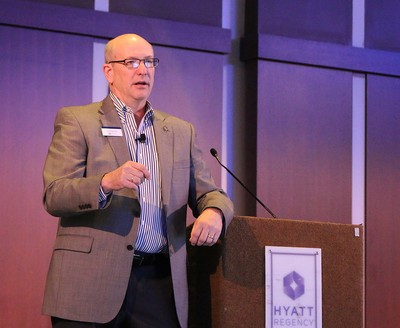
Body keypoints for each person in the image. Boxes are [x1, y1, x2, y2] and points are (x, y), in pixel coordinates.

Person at [42, 33, 234, 328]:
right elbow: (55, 194)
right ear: (109, 71)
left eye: (149, 62)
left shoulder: (181, 132)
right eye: (131, 62)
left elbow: (212, 193)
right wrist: (107, 181)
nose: (143, 70)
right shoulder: (77, 120)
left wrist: (215, 212)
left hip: (158, 284)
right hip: (88, 282)